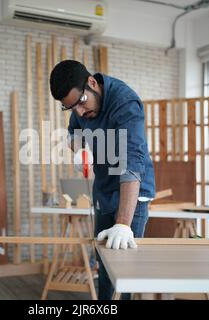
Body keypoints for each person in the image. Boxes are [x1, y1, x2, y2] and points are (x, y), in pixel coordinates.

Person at [49, 60, 156, 300]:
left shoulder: (125, 104)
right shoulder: (81, 106)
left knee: (123, 271)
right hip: (105, 189)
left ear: (92, 83)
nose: (80, 112)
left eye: (81, 103)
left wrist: (123, 224)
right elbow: (73, 132)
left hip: (133, 194)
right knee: (105, 266)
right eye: (71, 108)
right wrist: (79, 150)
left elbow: (131, 166)